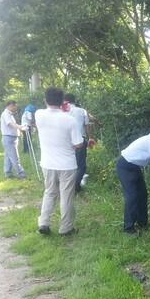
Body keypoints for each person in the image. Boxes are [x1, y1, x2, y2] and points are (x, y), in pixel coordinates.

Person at [35, 87, 84, 236]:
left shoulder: (39, 115)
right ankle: (65, 227)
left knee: (49, 193)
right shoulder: (69, 119)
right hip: (67, 164)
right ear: (63, 101)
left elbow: (45, 114)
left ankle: (43, 222)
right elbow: (78, 144)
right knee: (66, 196)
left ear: (45, 100)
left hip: (47, 163)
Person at [63, 93, 95, 193]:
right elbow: (87, 126)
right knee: (81, 165)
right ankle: (76, 186)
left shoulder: (62, 111)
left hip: (66, 141)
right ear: (75, 100)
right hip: (80, 140)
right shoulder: (82, 111)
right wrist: (90, 138)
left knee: (68, 163)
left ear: (65, 101)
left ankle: (67, 186)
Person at [0, 100, 27, 179]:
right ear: (11, 106)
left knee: (8, 157)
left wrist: (20, 128)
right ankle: (22, 174)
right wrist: (21, 127)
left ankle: (8, 174)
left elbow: (13, 125)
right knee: (15, 157)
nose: (16, 108)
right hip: (9, 138)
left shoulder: (9, 114)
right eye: (15, 106)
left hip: (9, 138)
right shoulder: (6, 114)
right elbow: (11, 124)